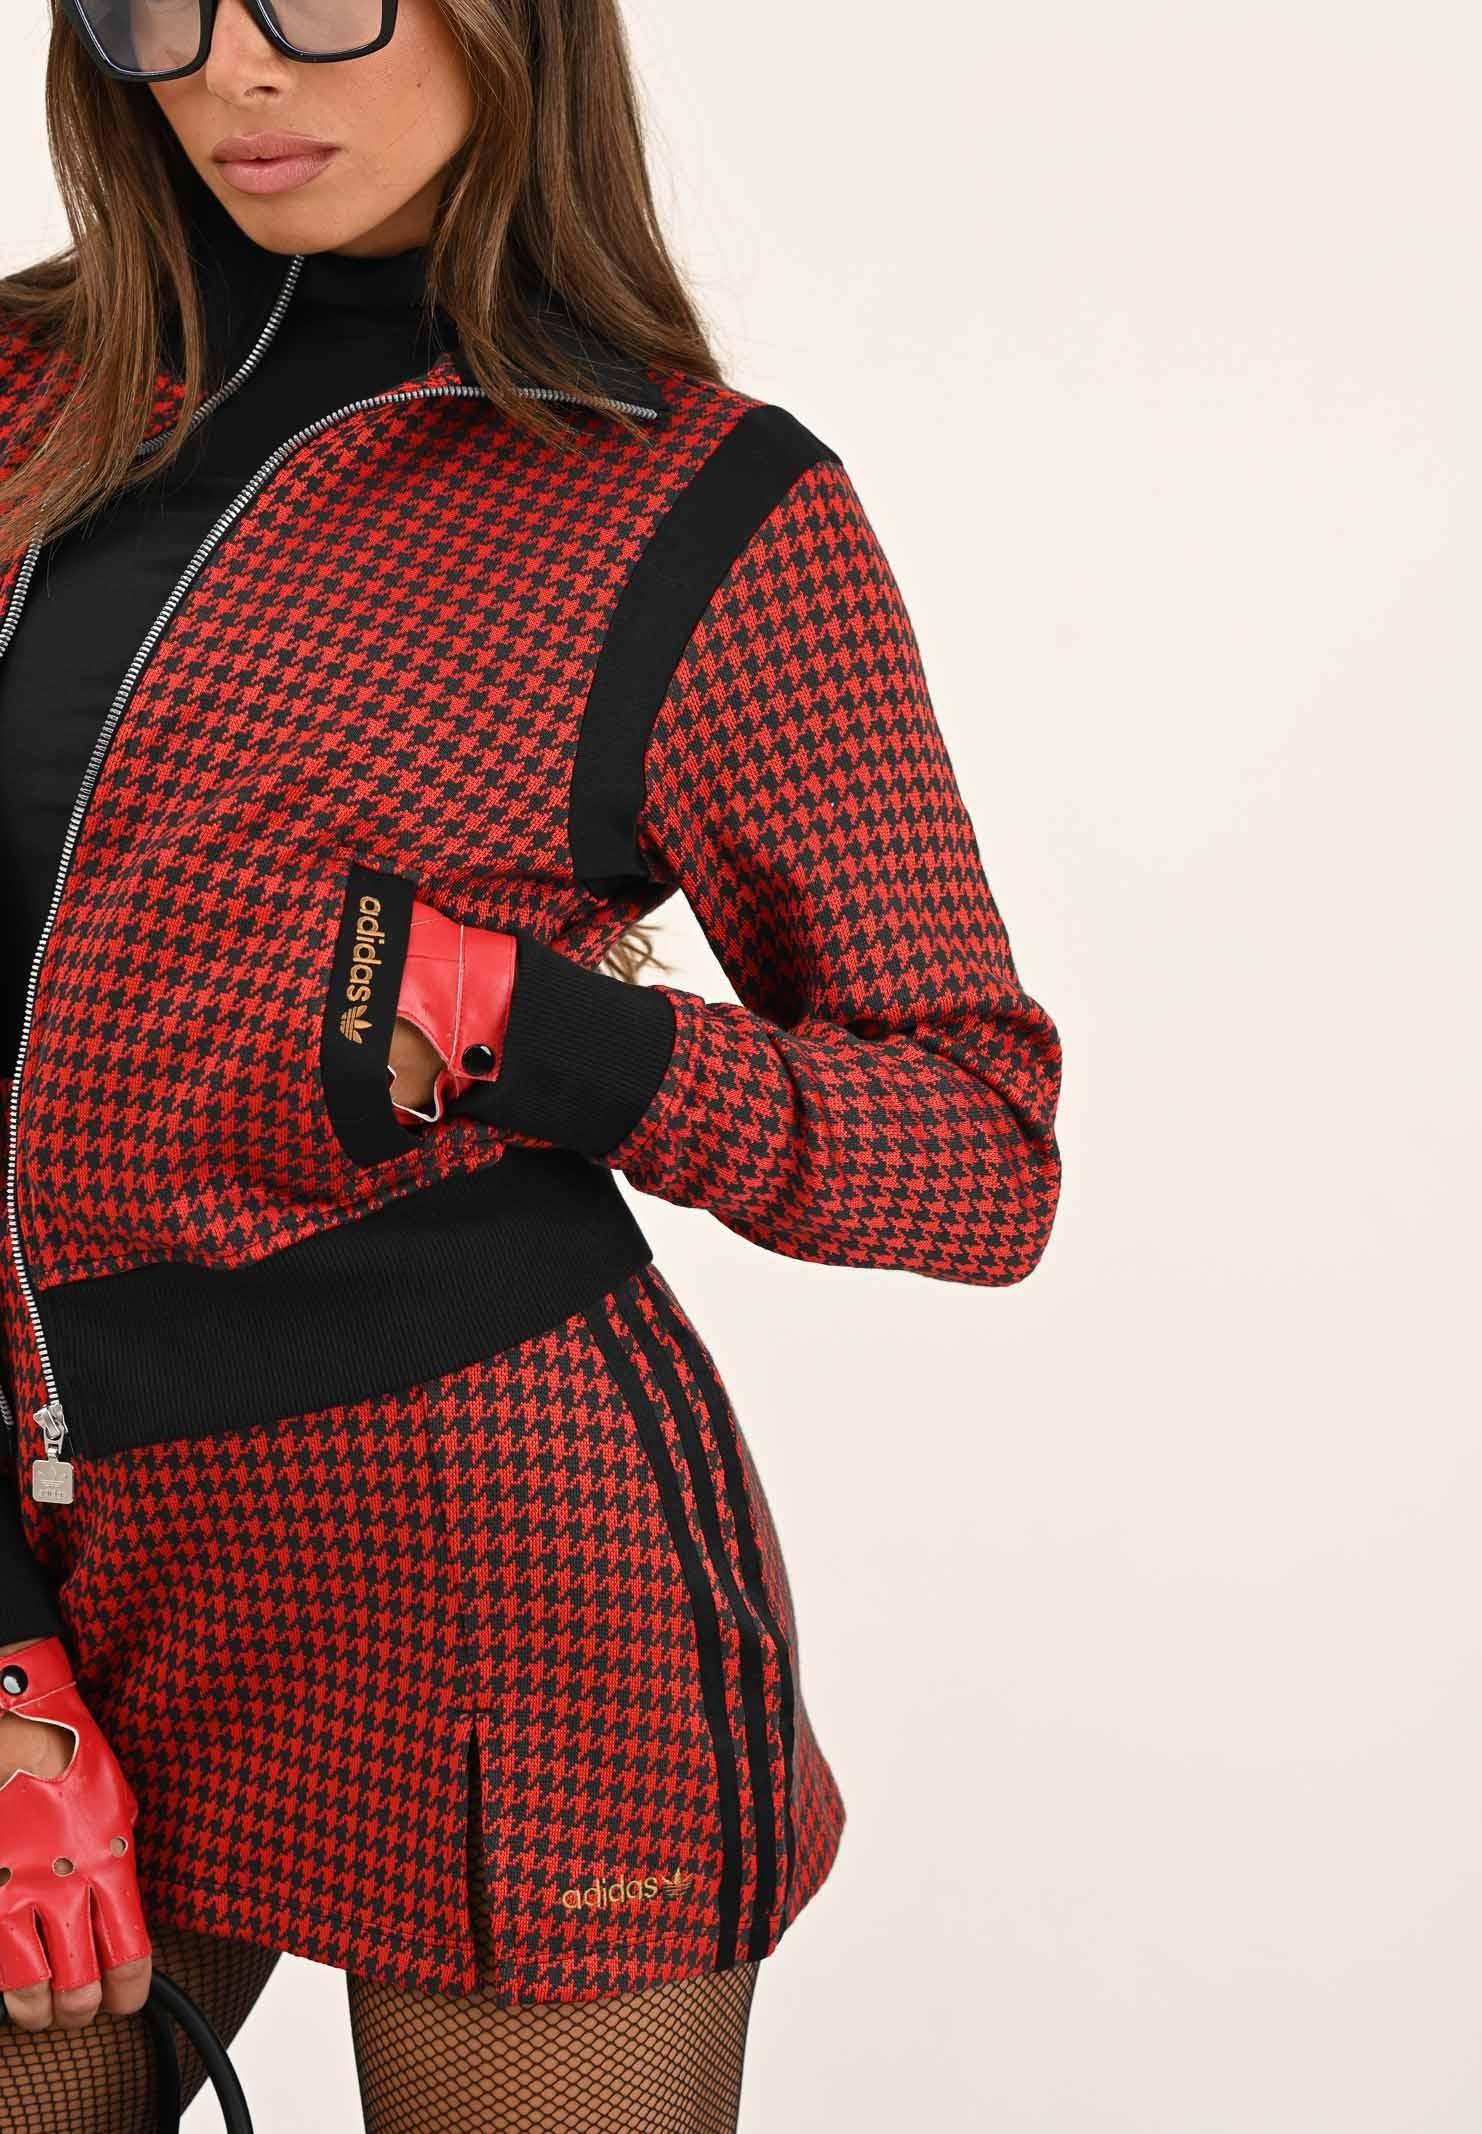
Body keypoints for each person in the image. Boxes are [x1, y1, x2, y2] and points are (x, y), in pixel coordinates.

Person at [0, 0, 1065, 2125]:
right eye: (157, 2)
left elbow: (982, 1148)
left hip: (507, 1578)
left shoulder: (700, 502)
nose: (232, 70)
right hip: (60, 1569)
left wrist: (538, 1033)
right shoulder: (27, 391)